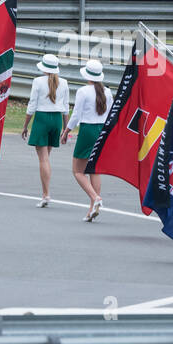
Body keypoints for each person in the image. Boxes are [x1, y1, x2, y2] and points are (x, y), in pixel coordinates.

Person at [62, 58, 108, 222]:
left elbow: (76, 114)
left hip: (88, 129)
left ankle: (95, 198)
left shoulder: (83, 91)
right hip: (102, 130)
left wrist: (67, 130)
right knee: (94, 169)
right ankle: (92, 208)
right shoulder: (107, 92)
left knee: (77, 170)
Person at [22, 53, 68, 207]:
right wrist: (65, 128)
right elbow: (66, 107)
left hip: (42, 118)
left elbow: (32, 105)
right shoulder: (64, 82)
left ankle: (46, 194)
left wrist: (25, 125)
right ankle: (45, 192)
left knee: (43, 159)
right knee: (46, 157)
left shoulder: (38, 81)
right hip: (56, 120)